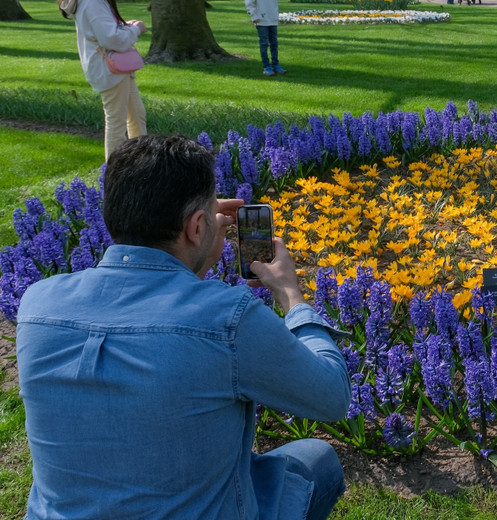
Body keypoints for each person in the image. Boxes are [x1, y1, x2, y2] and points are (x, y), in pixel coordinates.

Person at [16, 134, 351, 520]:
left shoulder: (37, 305)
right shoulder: (227, 320)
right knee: (316, 458)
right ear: (196, 226)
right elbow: (331, 396)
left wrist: (195, 257)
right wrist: (292, 296)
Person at [58, 0, 148, 160]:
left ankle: (142, 164)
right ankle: (114, 175)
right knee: (116, 123)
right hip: (109, 68)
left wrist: (126, 27)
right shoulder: (92, 1)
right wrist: (135, 30)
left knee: (136, 116)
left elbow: (108, 33)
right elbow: (112, 39)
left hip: (115, 67)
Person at [245, 0, 285, 76]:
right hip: (261, 20)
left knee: (274, 43)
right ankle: (266, 66)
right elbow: (249, 2)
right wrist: (254, 15)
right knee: (264, 43)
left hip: (272, 19)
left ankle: (275, 64)